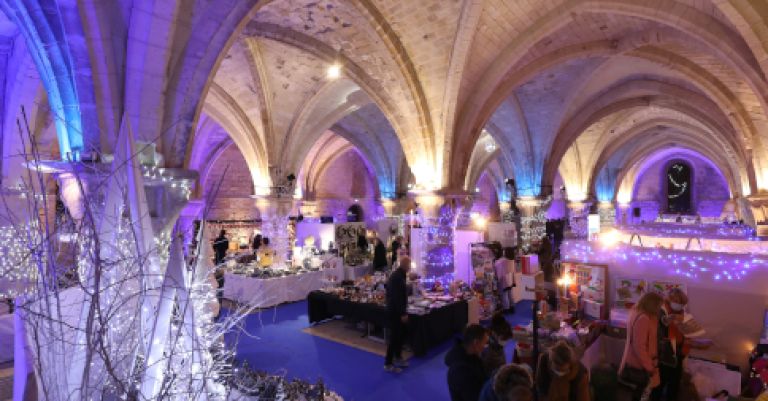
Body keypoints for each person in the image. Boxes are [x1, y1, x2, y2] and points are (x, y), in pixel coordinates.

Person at [620, 292, 663, 401]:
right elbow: (639, 347)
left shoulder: (636, 311)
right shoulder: (643, 318)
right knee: (640, 394)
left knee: (638, 393)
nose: (659, 309)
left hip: (636, 361)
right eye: (658, 306)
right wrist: (649, 367)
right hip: (640, 364)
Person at [651, 288, 690, 401]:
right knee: (658, 386)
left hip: (677, 354)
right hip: (663, 355)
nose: (680, 306)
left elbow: (685, 334)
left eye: (682, 304)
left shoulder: (682, 313)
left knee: (674, 387)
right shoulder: (660, 311)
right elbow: (657, 333)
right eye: (679, 303)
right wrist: (669, 321)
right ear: (670, 300)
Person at [445, 324, 490, 401]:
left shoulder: (471, 354)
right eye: (484, 343)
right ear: (475, 343)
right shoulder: (461, 372)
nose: (486, 346)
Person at [384, 256, 411, 372]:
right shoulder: (397, 277)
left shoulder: (401, 275)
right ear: (404, 265)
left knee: (400, 336)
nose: (410, 267)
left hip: (397, 310)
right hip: (395, 312)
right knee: (394, 337)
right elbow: (396, 298)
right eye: (409, 265)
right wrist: (402, 313)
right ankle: (388, 363)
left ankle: (398, 357)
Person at [495, 247, 516, 313]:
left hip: (504, 279)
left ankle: (506, 309)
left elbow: (496, 264)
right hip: (510, 279)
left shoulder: (503, 260)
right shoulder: (512, 260)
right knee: (510, 294)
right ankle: (512, 307)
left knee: (504, 295)